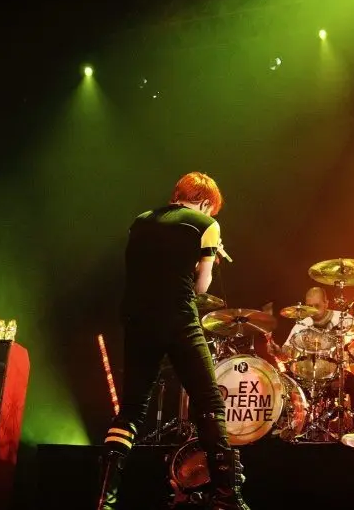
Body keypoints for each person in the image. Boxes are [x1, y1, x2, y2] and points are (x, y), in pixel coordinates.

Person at [96, 172, 250, 510]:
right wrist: (206, 254)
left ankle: (105, 499)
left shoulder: (141, 221)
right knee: (209, 402)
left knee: (131, 410)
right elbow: (201, 288)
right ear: (207, 203)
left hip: (136, 320)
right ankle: (227, 498)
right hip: (177, 318)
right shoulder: (205, 224)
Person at [282, 287, 354, 418]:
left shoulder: (343, 318)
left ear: (326, 303)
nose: (314, 310)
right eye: (310, 306)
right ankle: (292, 425)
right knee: (283, 381)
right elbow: (286, 349)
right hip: (307, 375)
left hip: (336, 374)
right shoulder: (302, 324)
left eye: (317, 305)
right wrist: (280, 351)